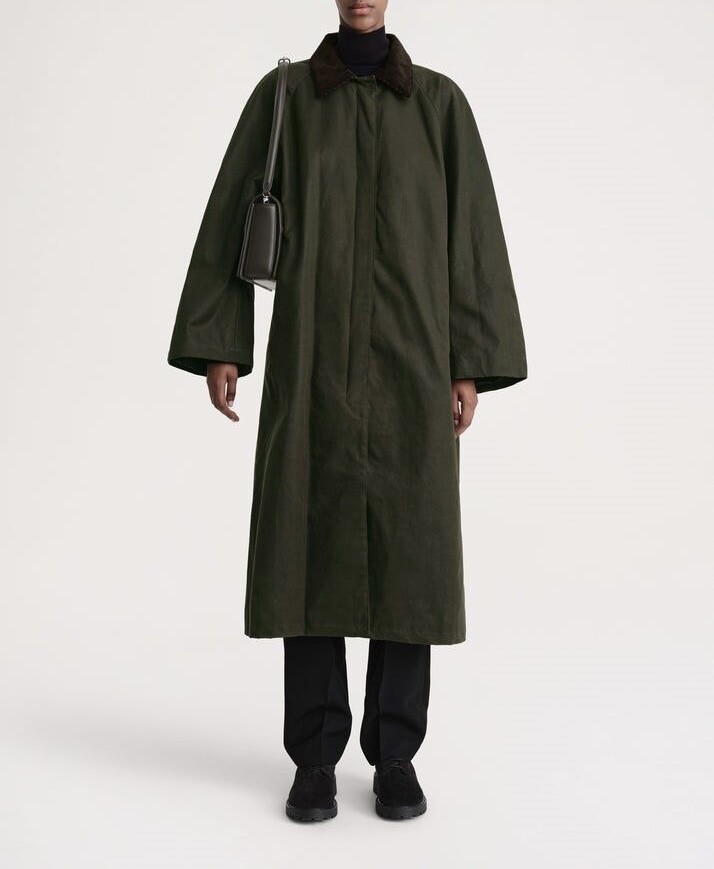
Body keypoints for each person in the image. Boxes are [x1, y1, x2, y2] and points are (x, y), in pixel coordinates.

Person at [167, 0, 527, 822]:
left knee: (411, 554)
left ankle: (395, 755)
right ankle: (315, 758)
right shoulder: (287, 97)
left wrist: (469, 361)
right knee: (307, 546)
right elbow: (232, 215)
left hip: (413, 366)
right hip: (313, 361)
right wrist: (222, 342)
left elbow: (471, 235)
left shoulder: (439, 104)